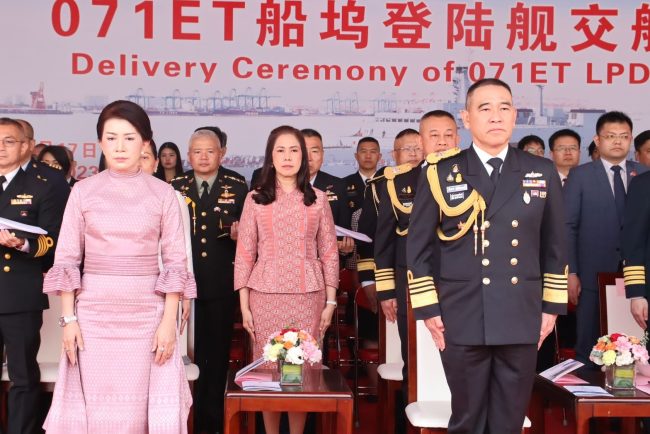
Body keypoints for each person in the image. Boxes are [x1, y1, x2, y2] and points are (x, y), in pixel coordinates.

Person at [407, 79, 567, 434]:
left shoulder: (539, 170)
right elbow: (417, 249)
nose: (496, 116)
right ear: (466, 118)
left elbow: (556, 246)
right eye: (485, 108)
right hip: (460, 313)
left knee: (509, 421)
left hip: (521, 313)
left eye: (504, 108)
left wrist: (551, 309)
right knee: (467, 420)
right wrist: (429, 310)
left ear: (514, 116)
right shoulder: (441, 171)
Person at [42, 100, 196, 433]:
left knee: (142, 410)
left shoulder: (164, 194)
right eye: (111, 138)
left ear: (145, 144)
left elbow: (175, 263)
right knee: (97, 408)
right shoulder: (82, 192)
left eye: (129, 138)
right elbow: (67, 258)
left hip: (148, 315)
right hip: (94, 315)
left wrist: (169, 323)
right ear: (100, 143)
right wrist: (68, 320)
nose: (120, 146)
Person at [235, 125, 338, 434]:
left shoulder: (318, 199)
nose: (287, 157)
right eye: (280, 150)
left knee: (301, 369)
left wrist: (331, 301)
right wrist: (244, 305)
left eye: (294, 150)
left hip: (309, 295)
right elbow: (244, 253)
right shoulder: (254, 199)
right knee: (269, 370)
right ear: (270, 157)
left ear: (304, 157)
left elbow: (330, 252)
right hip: (264, 294)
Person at [171, 128, 247, 434]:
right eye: (197, 151)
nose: (203, 157)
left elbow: (252, 237)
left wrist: (243, 234)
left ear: (222, 153)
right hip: (183, 284)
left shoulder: (238, 185)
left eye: (210, 151)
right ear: (188, 155)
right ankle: (183, 418)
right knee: (184, 354)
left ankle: (212, 421)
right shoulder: (176, 185)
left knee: (216, 355)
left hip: (220, 282)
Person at [0, 117, 66, 434]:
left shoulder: (47, 183)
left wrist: (23, 243)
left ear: (26, 145)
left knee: (23, 376)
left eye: (9, 141)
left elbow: (56, 242)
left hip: (19, 292)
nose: (1, 147)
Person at [565, 111, 647, 365]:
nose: (617, 142)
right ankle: (588, 399)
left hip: (638, 275)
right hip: (592, 272)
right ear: (597, 140)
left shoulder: (643, 175)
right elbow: (568, 227)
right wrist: (571, 272)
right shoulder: (580, 175)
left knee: (635, 344)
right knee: (589, 344)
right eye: (610, 136)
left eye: (623, 136)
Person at [343, 136, 382, 213]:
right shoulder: (343, 184)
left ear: (379, 157)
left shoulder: (387, 184)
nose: (368, 156)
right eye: (364, 151)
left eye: (373, 152)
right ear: (356, 156)